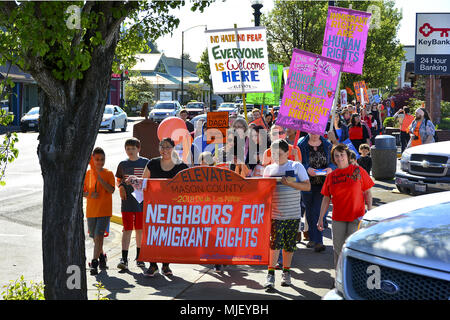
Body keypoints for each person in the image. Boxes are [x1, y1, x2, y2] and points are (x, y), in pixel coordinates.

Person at [263, 139, 311, 288]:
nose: (276, 157)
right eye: (273, 154)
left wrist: (290, 184)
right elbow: (263, 192)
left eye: (279, 154)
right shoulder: (269, 169)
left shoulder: (296, 166)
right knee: (274, 244)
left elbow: (307, 186)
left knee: (289, 246)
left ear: (287, 153)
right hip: (275, 215)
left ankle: (286, 272)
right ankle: (270, 274)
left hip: (293, 214)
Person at [318, 144, 374, 267]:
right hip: (338, 218)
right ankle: (339, 280)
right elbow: (326, 198)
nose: (339, 158)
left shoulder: (358, 171)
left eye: (342, 155)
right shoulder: (331, 176)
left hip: (356, 217)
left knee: (352, 249)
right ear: (333, 159)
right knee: (338, 250)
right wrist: (321, 218)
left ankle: (352, 279)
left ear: (348, 156)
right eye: (336, 156)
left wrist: (370, 212)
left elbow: (367, 192)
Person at [142, 138, 189, 277]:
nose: (165, 149)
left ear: (173, 148)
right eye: (162, 146)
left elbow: (188, 187)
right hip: (154, 208)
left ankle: (166, 265)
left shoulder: (181, 166)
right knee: (153, 236)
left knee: (168, 236)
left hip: (173, 210)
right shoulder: (152, 163)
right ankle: (152, 265)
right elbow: (143, 182)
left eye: (168, 147)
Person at [115, 138, 149, 270]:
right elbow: (119, 179)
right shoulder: (123, 164)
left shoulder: (146, 162)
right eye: (128, 149)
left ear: (138, 149)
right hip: (127, 202)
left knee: (140, 230)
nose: (130, 151)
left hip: (141, 202)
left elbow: (149, 180)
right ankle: (124, 258)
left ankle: (140, 257)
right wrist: (121, 187)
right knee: (127, 229)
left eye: (133, 148)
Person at [298, 134, 334, 253]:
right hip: (306, 182)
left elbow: (334, 161)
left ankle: (319, 241)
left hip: (322, 183)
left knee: (318, 210)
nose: (314, 134)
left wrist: (330, 168)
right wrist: (307, 169)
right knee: (309, 209)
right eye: (311, 131)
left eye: (316, 131)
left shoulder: (327, 145)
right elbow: (298, 162)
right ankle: (312, 238)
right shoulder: (301, 144)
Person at [83, 147, 115, 275]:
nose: (100, 162)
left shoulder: (108, 173)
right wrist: (90, 195)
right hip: (91, 211)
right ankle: (102, 255)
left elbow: (111, 190)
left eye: (102, 159)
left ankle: (94, 263)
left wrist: (101, 179)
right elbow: (82, 192)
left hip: (104, 210)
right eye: (97, 160)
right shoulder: (88, 174)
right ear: (93, 160)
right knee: (94, 237)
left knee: (99, 236)